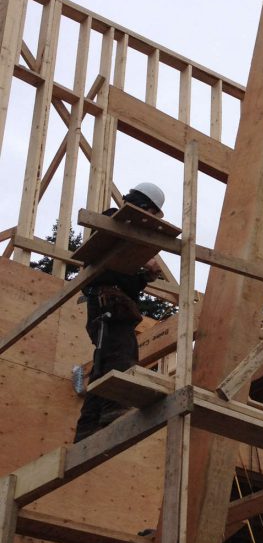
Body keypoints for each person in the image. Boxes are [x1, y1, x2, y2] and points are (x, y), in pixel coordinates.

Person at [73, 183, 166, 442]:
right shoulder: (113, 218)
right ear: (145, 208)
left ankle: (88, 427)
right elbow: (106, 249)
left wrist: (144, 276)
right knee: (121, 353)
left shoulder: (125, 249)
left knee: (104, 364)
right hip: (105, 305)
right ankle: (114, 408)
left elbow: (128, 285)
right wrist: (137, 251)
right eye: (150, 217)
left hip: (116, 304)